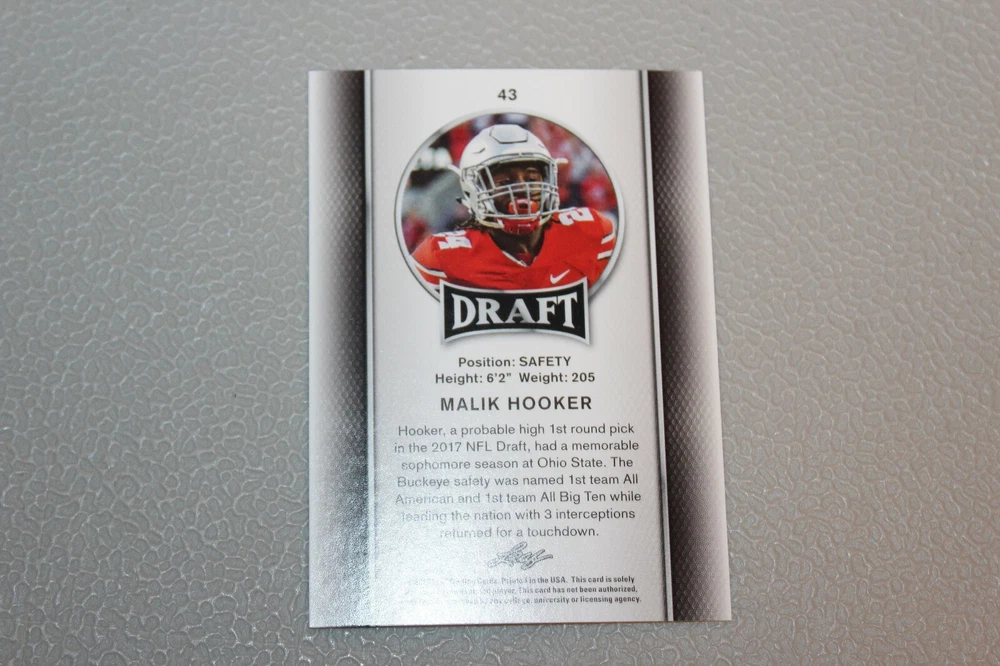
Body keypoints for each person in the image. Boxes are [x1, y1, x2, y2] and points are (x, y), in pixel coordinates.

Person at [410, 124, 616, 291]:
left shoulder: (590, 233)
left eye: (532, 179)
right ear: (473, 189)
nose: (522, 190)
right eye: (505, 182)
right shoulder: (442, 258)